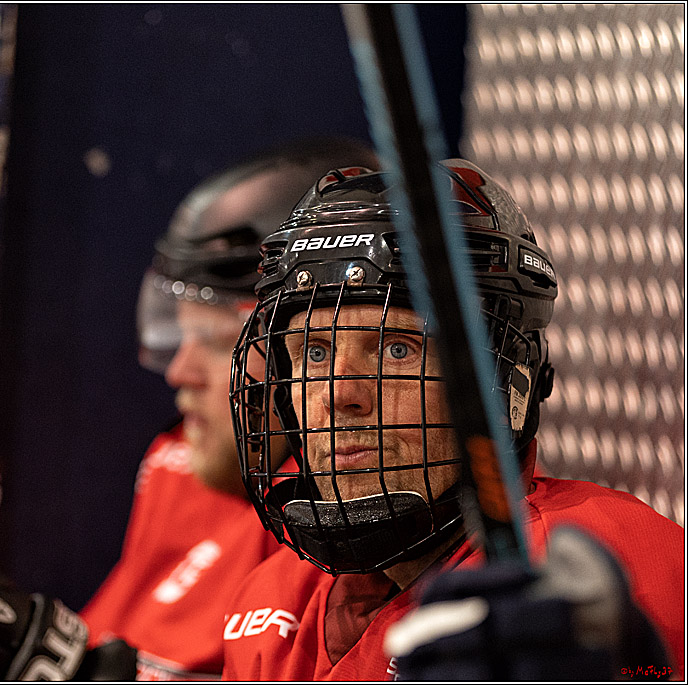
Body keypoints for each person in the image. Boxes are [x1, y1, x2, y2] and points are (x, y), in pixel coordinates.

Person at [0, 137, 381, 681]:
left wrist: (63, 668)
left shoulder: (364, 524)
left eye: (217, 339)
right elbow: (109, 644)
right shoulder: (179, 468)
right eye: (180, 338)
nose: (178, 373)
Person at [222, 160, 684, 680]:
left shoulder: (615, 569)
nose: (339, 394)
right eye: (314, 352)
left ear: (505, 379)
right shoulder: (271, 598)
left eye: (397, 349)